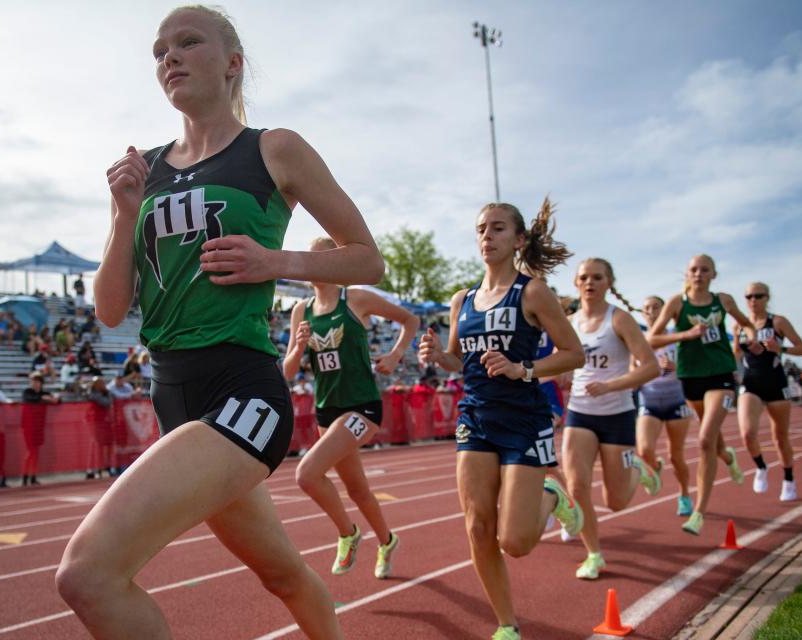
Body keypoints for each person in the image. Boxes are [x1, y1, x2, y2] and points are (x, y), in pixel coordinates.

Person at [55, 6, 384, 639]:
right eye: (159, 50)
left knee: (86, 575)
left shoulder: (273, 149)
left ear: (232, 63)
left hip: (243, 393)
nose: (168, 57)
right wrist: (125, 215)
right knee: (283, 575)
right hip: (172, 395)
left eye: (187, 42)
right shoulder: (144, 168)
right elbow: (109, 309)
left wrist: (275, 262)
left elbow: (368, 257)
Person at [418, 198, 585, 640]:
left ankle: (553, 498)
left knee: (516, 542)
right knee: (477, 526)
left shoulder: (531, 292)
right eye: (480, 230)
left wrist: (523, 369)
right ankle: (507, 624)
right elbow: (458, 360)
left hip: (523, 421)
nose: (486, 237)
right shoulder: (463, 299)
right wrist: (438, 356)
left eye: (497, 229)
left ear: (518, 239)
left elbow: (574, 353)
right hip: (475, 416)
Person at [283, 237, 420, 580]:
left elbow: (410, 320)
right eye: (307, 260)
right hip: (327, 410)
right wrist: (299, 348)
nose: (310, 267)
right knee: (358, 490)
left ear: (333, 262)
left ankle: (348, 533)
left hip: (362, 408)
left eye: (317, 259)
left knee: (307, 474)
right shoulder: (302, 311)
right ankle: (387, 541)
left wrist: (395, 354)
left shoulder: (355, 298)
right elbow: (287, 371)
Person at [561, 259, 660, 579]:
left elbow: (650, 367)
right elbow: (564, 366)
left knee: (615, 501)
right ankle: (594, 554)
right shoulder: (568, 323)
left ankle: (638, 469)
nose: (590, 283)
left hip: (617, 413)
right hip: (579, 413)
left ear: (609, 283)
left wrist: (610, 385)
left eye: (597, 277)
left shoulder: (620, 320)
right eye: (584, 278)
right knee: (577, 485)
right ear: (576, 284)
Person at [648, 254, 759, 536]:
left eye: (704, 270)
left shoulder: (723, 300)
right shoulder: (676, 303)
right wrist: (685, 335)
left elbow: (746, 324)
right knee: (712, 440)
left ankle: (698, 512)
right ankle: (729, 457)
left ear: (713, 274)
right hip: (690, 377)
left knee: (705, 438)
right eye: (694, 269)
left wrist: (750, 335)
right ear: (687, 274)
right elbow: (652, 337)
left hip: (720, 374)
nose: (698, 274)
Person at [732, 282, 802, 501]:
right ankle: (761, 466)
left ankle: (788, 479)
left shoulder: (778, 321)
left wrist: (780, 348)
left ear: (767, 298)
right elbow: (736, 356)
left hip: (776, 383)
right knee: (747, 433)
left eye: (758, 296)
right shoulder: (738, 325)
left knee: (780, 438)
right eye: (748, 296)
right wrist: (735, 350)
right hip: (750, 383)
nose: (753, 300)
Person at [636, 296, 694, 518]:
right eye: (646, 308)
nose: (651, 312)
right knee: (644, 450)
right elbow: (632, 366)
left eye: (655, 308)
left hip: (675, 400)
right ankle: (655, 466)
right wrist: (644, 370)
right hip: (649, 399)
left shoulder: (674, 337)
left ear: (664, 311)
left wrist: (674, 367)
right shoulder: (639, 339)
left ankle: (685, 495)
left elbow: (690, 368)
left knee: (676, 455)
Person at [21, 372, 60, 486]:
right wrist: (44, 398)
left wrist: (56, 397)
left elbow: (56, 401)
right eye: (33, 381)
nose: (35, 383)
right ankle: (25, 476)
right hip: (28, 426)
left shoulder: (45, 393)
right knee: (30, 451)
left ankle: (33, 476)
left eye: (37, 381)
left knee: (36, 452)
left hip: (39, 426)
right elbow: (30, 399)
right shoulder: (27, 392)